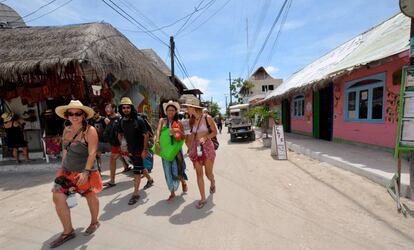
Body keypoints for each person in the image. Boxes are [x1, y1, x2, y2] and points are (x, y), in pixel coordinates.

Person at [50, 100, 102, 248]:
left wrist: (86, 171)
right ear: (67, 115)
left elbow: (92, 153)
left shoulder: (90, 131)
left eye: (78, 113)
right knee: (57, 197)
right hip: (67, 171)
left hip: (85, 171)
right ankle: (68, 231)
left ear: (83, 115)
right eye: (71, 113)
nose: (74, 116)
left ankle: (94, 221)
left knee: (90, 196)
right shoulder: (66, 130)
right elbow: (65, 150)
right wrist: (62, 167)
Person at [118, 97, 154, 205]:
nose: (126, 109)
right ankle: (150, 179)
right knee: (140, 167)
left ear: (131, 108)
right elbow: (120, 133)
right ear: (121, 109)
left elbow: (146, 135)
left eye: (128, 107)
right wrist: (122, 146)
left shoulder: (138, 120)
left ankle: (135, 193)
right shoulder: (122, 121)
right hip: (130, 150)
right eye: (123, 108)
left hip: (139, 149)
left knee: (136, 171)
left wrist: (144, 150)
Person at [183, 99, 217, 209]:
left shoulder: (207, 118)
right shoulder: (191, 121)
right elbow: (192, 135)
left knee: (208, 174)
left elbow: (214, 132)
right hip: (196, 148)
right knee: (199, 174)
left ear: (193, 108)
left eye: (188, 107)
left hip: (207, 147)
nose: (187, 109)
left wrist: (206, 137)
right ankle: (203, 198)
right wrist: (189, 147)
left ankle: (212, 182)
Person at [155, 100, 188, 201]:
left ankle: (183, 182)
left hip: (175, 151)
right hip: (165, 150)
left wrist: (177, 131)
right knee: (167, 172)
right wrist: (157, 142)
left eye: (173, 110)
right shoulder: (162, 121)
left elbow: (183, 137)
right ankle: (172, 192)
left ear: (176, 111)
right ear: (166, 111)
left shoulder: (178, 123)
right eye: (169, 110)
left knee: (175, 171)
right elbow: (158, 131)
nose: (170, 112)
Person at [102, 103, 130, 187]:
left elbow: (121, 133)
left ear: (114, 109)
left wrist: (122, 145)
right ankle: (112, 181)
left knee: (134, 158)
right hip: (115, 144)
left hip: (121, 144)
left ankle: (147, 176)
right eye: (106, 107)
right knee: (112, 159)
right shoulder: (109, 119)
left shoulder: (119, 118)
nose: (106, 109)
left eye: (108, 107)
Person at [89, 107, 110, 172]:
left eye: (94, 114)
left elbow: (111, 128)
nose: (93, 116)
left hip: (107, 141)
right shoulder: (92, 121)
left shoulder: (104, 119)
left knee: (118, 153)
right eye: (92, 114)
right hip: (99, 142)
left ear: (98, 113)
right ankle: (99, 170)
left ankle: (126, 164)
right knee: (98, 156)